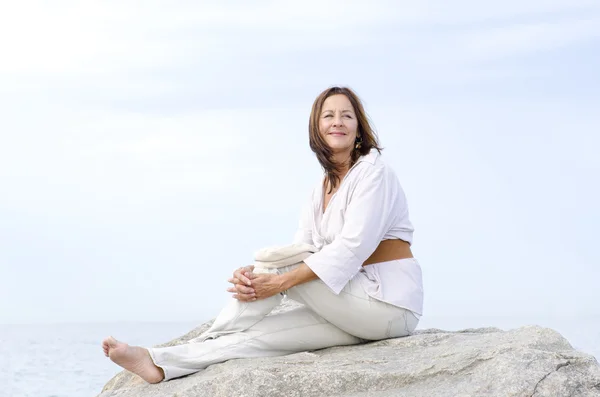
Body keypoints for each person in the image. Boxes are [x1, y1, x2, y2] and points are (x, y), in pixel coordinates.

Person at [101, 86, 424, 383]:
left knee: (275, 265)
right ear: (317, 129)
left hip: (387, 306)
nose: (337, 122)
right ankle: (158, 364)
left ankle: (207, 334)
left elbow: (351, 249)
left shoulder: (373, 173)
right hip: (350, 310)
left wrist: (275, 281)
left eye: (346, 116)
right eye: (328, 116)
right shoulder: (320, 189)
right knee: (258, 336)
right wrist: (256, 278)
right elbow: (303, 247)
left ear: (358, 129)